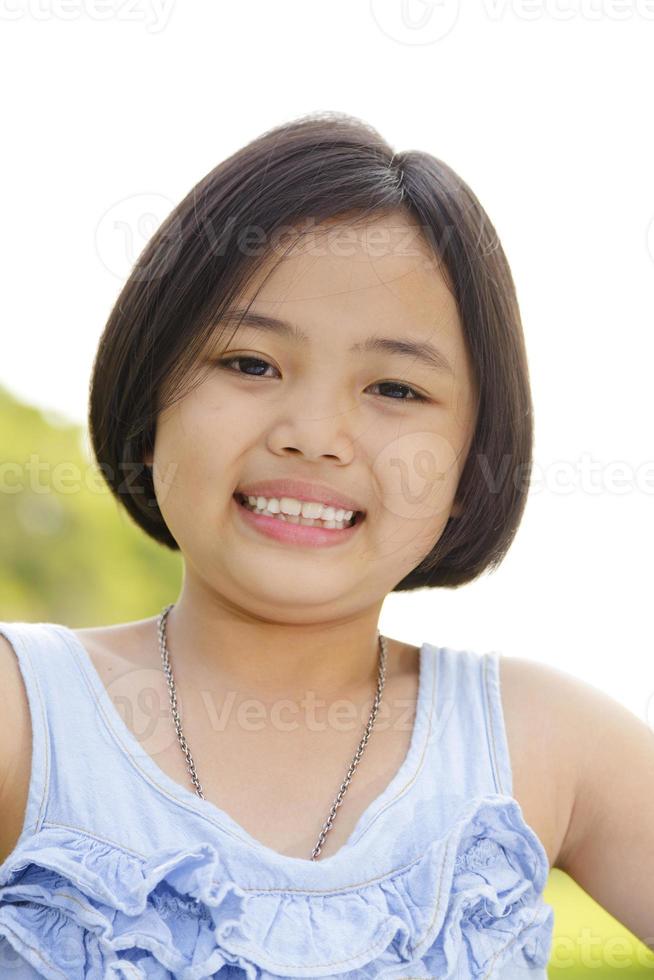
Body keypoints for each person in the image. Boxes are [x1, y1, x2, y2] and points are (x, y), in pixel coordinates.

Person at [0, 111, 652, 979]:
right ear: (153, 400)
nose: (314, 435)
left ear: (471, 459)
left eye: (394, 387)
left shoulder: (545, 744)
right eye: (251, 364)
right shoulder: (25, 723)